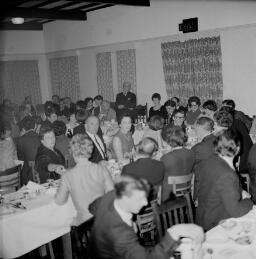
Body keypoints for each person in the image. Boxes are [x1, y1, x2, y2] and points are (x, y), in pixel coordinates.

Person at [90, 175, 204, 259]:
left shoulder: (113, 195)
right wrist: (174, 232)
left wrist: (127, 220)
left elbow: (92, 207)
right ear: (124, 198)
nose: (145, 203)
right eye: (140, 199)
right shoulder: (121, 234)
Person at [196, 129, 253, 231]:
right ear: (238, 148)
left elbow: (218, 188)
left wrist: (240, 192)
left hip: (203, 218)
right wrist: (249, 201)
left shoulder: (209, 161)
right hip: (217, 225)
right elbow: (235, 211)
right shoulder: (227, 175)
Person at [55, 134, 113, 225]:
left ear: (73, 151)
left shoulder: (67, 175)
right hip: (104, 220)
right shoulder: (101, 169)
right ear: (90, 151)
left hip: (83, 224)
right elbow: (111, 194)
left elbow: (59, 201)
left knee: (63, 222)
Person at [161, 125, 195, 202]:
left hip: (169, 195)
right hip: (185, 192)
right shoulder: (191, 153)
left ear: (169, 140)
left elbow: (159, 176)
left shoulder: (167, 157)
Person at [16, 116, 40, 185]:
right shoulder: (41, 137)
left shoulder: (20, 140)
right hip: (41, 171)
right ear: (35, 126)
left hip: (28, 174)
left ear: (23, 128)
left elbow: (20, 159)